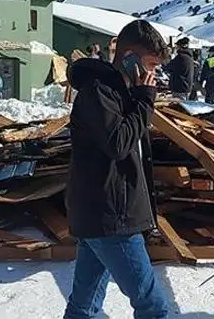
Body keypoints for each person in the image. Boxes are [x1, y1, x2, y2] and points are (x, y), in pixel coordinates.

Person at [64, 19, 169, 319]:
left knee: (83, 307)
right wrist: (144, 104)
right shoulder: (99, 93)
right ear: (129, 58)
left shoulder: (120, 92)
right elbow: (118, 143)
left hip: (103, 214)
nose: (153, 75)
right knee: (154, 308)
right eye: (150, 65)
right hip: (111, 217)